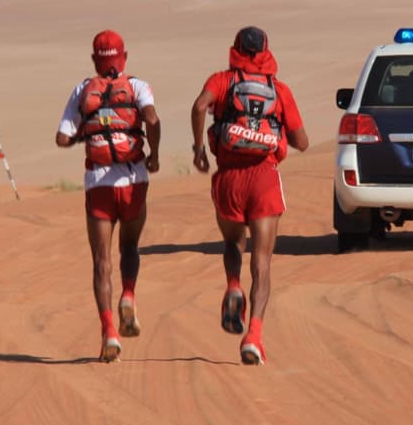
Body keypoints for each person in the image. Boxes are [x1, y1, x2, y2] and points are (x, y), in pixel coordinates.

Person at [190, 26, 309, 365]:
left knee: (232, 243)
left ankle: (232, 286)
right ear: (266, 51)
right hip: (264, 178)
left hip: (229, 178)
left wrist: (199, 150)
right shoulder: (279, 90)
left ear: (236, 49)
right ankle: (253, 336)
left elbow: (200, 108)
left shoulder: (222, 81)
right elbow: (302, 143)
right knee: (263, 260)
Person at [55, 30, 161, 362]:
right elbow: (153, 119)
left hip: (98, 185)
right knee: (129, 246)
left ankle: (109, 332)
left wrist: (86, 133)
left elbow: (61, 137)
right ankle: (128, 296)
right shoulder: (138, 86)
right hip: (134, 180)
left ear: (94, 60)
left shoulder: (82, 90)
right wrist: (154, 155)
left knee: (101, 262)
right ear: (123, 57)